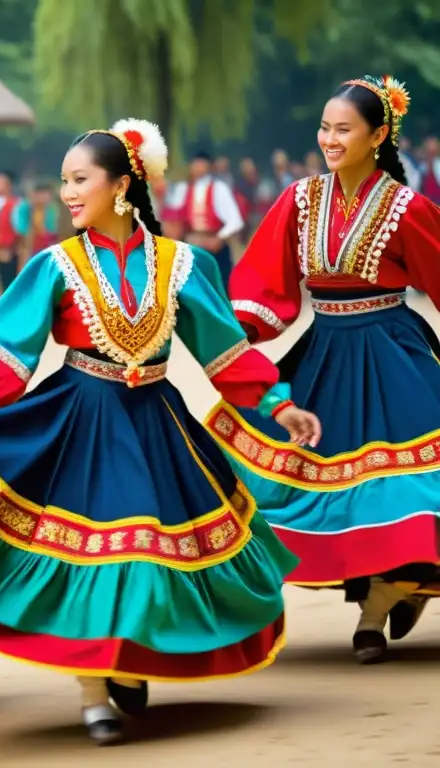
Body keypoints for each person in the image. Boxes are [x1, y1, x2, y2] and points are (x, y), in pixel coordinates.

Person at [0, 120, 319, 746]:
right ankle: (95, 688)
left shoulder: (184, 265)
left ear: (122, 185)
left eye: (79, 180)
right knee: (98, 547)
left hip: (157, 423)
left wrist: (279, 404)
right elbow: (6, 352)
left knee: (146, 549)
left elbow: (222, 349)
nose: (67, 193)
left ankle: (125, 656)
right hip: (80, 417)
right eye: (64, 181)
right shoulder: (53, 265)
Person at [213, 75, 440, 663]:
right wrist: (234, 335)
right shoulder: (299, 199)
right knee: (291, 470)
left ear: (378, 135)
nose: (330, 139)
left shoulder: (405, 207)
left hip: (393, 353)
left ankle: (384, 597)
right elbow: (267, 283)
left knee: (403, 483)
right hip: (324, 353)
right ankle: (382, 590)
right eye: (324, 128)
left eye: (344, 129)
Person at [162, 151, 245, 285]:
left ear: (209, 167)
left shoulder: (219, 188)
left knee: (218, 288)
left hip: (215, 249)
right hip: (191, 246)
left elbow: (235, 221)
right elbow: (173, 217)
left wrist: (218, 239)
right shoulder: (183, 189)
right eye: (196, 164)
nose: (198, 167)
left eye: (201, 164)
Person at [0, 171, 29, 291]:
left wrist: (15, 248)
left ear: (9, 185)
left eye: (1, 182)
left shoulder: (18, 205)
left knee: (14, 282)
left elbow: (21, 229)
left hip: (14, 250)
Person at [26, 181, 62, 254]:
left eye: (46, 194)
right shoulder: (28, 209)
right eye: (39, 194)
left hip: (50, 244)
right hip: (33, 245)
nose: (42, 197)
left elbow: (55, 229)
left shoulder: (54, 209)